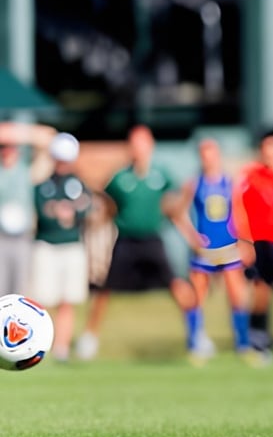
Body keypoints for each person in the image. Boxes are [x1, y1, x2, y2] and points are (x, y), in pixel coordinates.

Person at [75, 124, 191, 360]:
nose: (139, 148)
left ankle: (196, 335)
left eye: (143, 143)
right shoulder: (121, 178)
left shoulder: (161, 175)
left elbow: (172, 204)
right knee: (105, 290)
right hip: (126, 240)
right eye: (134, 143)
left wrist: (184, 206)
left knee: (177, 285)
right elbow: (107, 201)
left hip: (152, 239)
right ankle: (90, 338)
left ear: (150, 146)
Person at [166, 138, 256, 363]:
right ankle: (195, 345)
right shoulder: (194, 184)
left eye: (211, 153)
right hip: (205, 251)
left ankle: (243, 345)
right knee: (197, 297)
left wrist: (246, 242)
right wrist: (192, 237)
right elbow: (177, 212)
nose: (208, 158)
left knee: (237, 296)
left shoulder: (230, 182)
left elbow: (240, 213)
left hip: (228, 247)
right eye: (204, 154)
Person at [29, 133, 92, 362]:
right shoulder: (43, 185)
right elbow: (45, 212)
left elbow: (85, 207)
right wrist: (61, 210)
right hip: (47, 245)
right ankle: (39, 345)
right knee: (43, 300)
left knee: (68, 300)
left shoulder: (78, 184)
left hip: (72, 246)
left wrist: (67, 210)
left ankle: (62, 348)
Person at [234, 132, 273, 358]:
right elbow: (239, 208)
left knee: (268, 288)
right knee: (256, 287)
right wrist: (245, 241)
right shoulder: (250, 176)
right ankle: (253, 334)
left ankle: (261, 334)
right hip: (256, 240)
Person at [0, 122, 56, 297]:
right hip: (1, 238)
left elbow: (49, 138)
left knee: (20, 291)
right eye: (3, 147)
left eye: (11, 147)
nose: (7, 151)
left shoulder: (27, 172)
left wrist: (17, 133)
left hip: (23, 237)